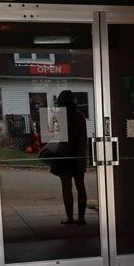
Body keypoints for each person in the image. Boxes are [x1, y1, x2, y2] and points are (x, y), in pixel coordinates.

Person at [52, 90, 88, 225]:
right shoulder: (80, 116)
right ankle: (81, 218)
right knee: (80, 187)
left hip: (64, 156)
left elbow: (54, 137)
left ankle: (70, 217)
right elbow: (83, 139)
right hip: (78, 156)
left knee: (66, 188)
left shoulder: (58, 117)